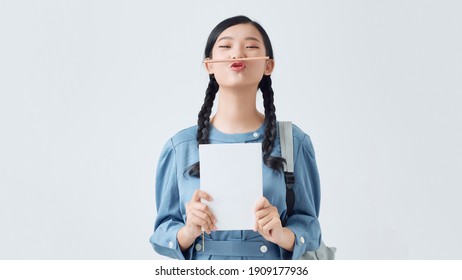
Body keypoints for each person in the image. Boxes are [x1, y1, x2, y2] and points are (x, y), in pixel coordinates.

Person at [150, 15, 322, 260]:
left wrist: (282, 234)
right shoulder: (180, 147)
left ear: (268, 65)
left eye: (251, 46)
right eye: (225, 46)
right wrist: (188, 230)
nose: (237, 54)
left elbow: (311, 227)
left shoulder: (293, 142)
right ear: (209, 64)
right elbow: (160, 234)